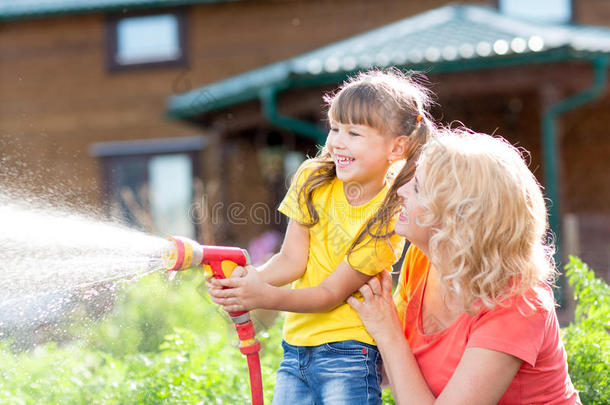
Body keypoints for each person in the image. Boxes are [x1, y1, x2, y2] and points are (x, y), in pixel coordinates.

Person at [208, 68, 433, 405]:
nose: (337, 142)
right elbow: (291, 260)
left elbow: (330, 294)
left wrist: (261, 296)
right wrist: (248, 281)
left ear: (396, 147)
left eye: (354, 133)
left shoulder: (388, 215)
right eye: (335, 127)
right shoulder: (313, 178)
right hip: (295, 347)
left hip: (350, 354)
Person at [348, 130, 581, 405]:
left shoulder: (518, 302)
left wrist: (387, 332)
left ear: (459, 215)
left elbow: (391, 344)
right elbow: (390, 373)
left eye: (419, 187)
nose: (400, 191)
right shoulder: (422, 261)